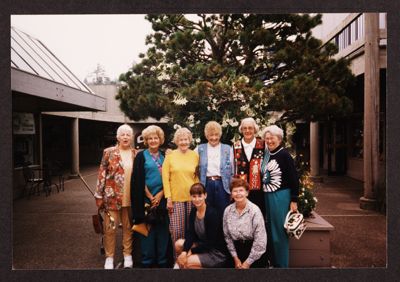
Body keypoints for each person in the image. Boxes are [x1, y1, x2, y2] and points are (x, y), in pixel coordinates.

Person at [94, 124, 137, 269]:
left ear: (131, 137)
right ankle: (109, 257)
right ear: (118, 137)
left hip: (130, 200)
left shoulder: (135, 154)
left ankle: (127, 255)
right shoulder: (109, 152)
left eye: (128, 135)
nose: (125, 137)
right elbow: (102, 174)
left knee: (128, 228)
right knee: (110, 228)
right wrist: (98, 195)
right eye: (122, 134)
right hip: (111, 199)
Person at [131, 125, 170, 268]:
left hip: (163, 199)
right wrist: (150, 196)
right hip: (146, 200)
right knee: (147, 232)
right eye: (150, 138)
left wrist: (160, 195)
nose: (153, 140)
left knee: (162, 231)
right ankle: (147, 261)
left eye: (156, 138)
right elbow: (137, 178)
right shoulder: (141, 156)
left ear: (160, 140)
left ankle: (162, 261)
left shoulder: (165, 155)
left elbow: (170, 178)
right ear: (146, 140)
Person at [261, 125, 299, 268]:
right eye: (267, 138)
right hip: (268, 196)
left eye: (273, 138)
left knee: (279, 233)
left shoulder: (284, 155)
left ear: (279, 139)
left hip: (280, 196)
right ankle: (274, 263)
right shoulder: (266, 154)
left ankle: (282, 267)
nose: (269, 141)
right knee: (270, 231)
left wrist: (294, 199)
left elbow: (294, 178)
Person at [162, 127, 199, 259]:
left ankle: (189, 259)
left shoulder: (195, 155)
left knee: (191, 231)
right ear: (177, 141)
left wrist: (199, 198)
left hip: (192, 199)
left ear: (190, 140)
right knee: (177, 232)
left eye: (186, 139)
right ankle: (177, 260)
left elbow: (196, 178)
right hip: (175, 199)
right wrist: (168, 198)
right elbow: (165, 178)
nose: (184, 142)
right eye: (181, 140)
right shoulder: (170, 156)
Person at [175, 183, 228, 269]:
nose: (197, 199)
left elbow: (211, 243)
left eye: (200, 196)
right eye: (194, 196)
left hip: (215, 252)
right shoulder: (193, 211)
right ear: (191, 197)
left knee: (186, 263)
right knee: (178, 244)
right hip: (202, 246)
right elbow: (190, 234)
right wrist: (185, 251)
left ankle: (210, 275)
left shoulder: (212, 213)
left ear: (205, 195)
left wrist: (191, 251)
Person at [223, 178, 267, 268]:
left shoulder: (255, 210)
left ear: (247, 193)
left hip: (253, 252)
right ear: (231, 194)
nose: (238, 193)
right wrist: (235, 258)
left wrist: (247, 263)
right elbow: (227, 237)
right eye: (235, 191)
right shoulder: (227, 211)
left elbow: (260, 241)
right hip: (235, 252)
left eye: (241, 190)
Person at [195, 121, 233, 216]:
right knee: (207, 212)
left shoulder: (228, 149)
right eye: (211, 135)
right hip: (206, 185)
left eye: (216, 135)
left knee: (224, 213)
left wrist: (232, 188)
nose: (214, 138)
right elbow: (188, 160)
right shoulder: (199, 149)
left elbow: (233, 170)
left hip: (223, 185)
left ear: (220, 135)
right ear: (206, 135)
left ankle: (223, 231)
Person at [232, 117, 265, 216]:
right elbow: (232, 168)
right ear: (241, 130)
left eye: (250, 128)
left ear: (255, 129)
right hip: (241, 190)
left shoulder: (263, 145)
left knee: (258, 216)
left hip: (259, 191)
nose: (247, 131)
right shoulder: (235, 146)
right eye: (244, 128)